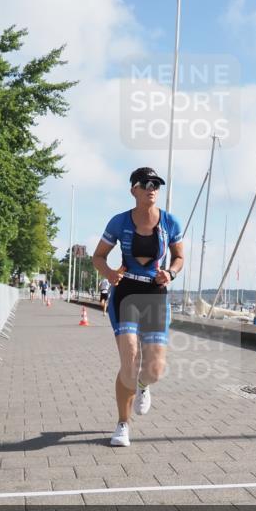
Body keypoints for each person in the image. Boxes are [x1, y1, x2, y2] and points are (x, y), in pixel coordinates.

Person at [92, 167, 184, 447]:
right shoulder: (119, 222)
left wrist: (170, 272)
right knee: (129, 361)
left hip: (155, 294)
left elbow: (179, 258)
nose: (151, 188)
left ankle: (143, 387)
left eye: (156, 184)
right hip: (127, 293)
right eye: (145, 183)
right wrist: (109, 274)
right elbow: (98, 257)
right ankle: (123, 423)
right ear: (133, 189)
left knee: (154, 370)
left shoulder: (170, 222)